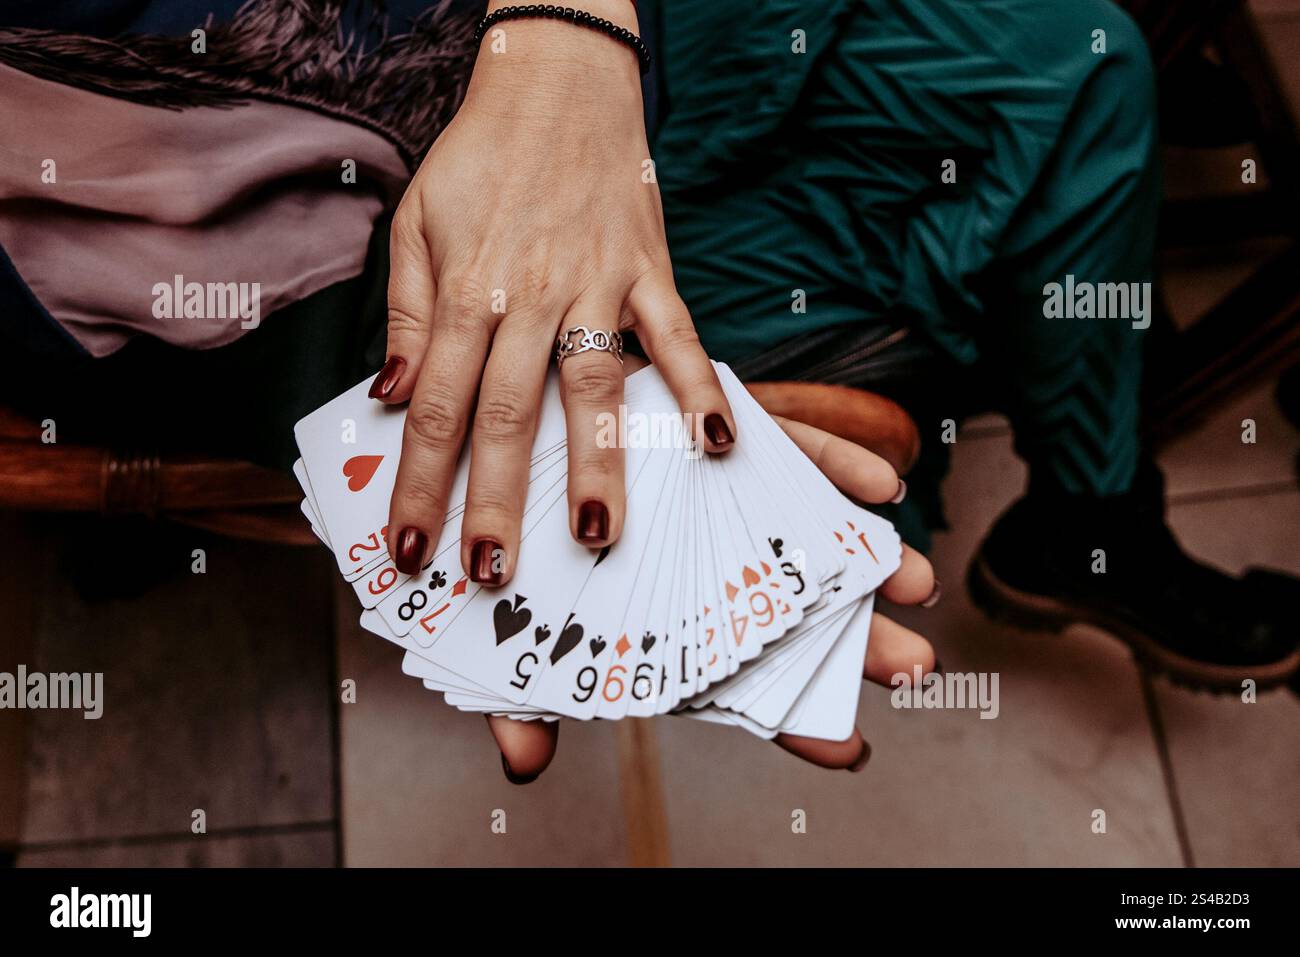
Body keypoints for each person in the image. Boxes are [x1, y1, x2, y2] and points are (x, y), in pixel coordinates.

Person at [0, 0, 1293, 788]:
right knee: (856, 343)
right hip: (395, 259)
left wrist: (567, 27)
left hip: (603, 34)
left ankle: (1089, 514)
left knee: (1086, 55)